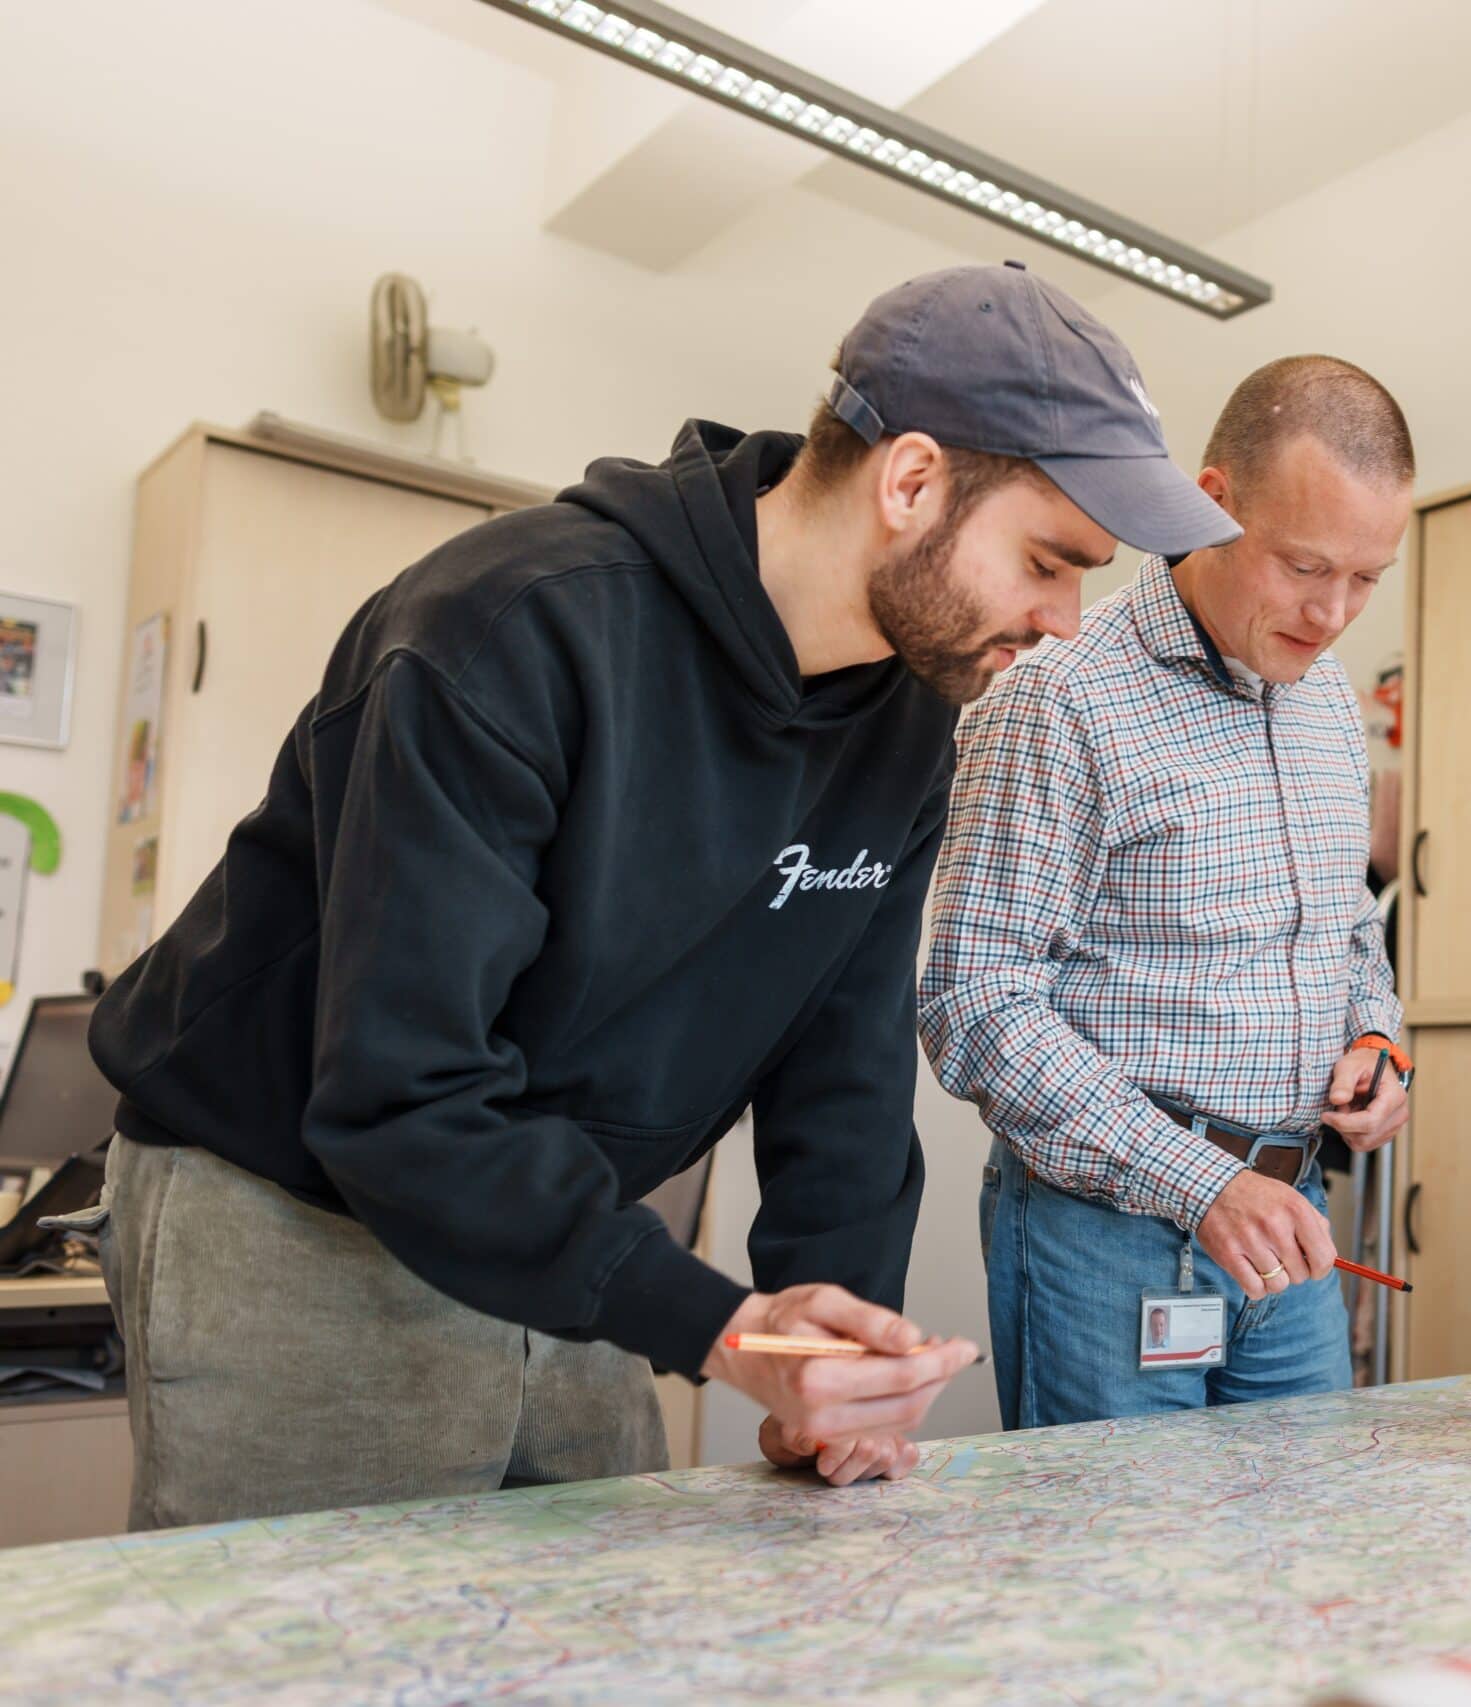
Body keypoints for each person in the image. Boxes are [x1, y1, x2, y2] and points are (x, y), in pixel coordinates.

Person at [87, 262, 1243, 1527]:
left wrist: (835, 1355)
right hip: (296, 1208)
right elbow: (398, 1094)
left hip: (557, 1215)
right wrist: (720, 1329)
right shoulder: (510, 631)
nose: (1067, 621)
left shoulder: (912, 727)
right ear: (909, 482)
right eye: (1046, 561)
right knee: (318, 1650)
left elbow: (842, 1082)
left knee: (594, 1622)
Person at [922, 356, 1416, 1428]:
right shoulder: (1057, 695)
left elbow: (1346, 934)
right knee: (1122, 1575)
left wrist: (1377, 1038)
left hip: (1291, 1224)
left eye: (1367, 577)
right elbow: (975, 1004)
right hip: (1109, 1235)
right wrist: (1196, 1183)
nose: (1334, 613)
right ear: (1210, 502)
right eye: (1303, 566)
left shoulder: (1326, 702)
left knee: (1306, 1561)